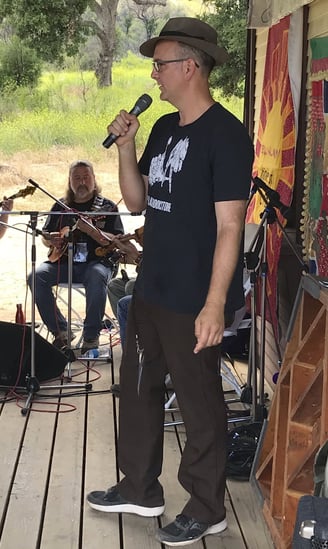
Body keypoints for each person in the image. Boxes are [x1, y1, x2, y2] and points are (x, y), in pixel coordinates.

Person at [87, 17, 254, 547]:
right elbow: (138, 202)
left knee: (199, 401)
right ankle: (140, 487)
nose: (153, 74)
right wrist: (124, 147)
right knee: (138, 389)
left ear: (189, 66)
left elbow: (230, 227)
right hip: (152, 285)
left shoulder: (226, 136)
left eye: (160, 64)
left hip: (193, 296)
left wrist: (213, 303)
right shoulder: (161, 128)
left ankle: (207, 507)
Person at [28, 160, 124, 354]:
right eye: (77, 178)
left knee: (97, 275)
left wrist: (92, 231)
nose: (82, 182)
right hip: (64, 264)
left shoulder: (107, 206)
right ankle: (61, 331)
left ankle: (91, 336)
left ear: (94, 179)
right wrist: (51, 240)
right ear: (69, 181)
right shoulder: (60, 206)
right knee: (36, 276)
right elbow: (46, 234)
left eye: (86, 177)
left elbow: (117, 240)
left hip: (97, 263)